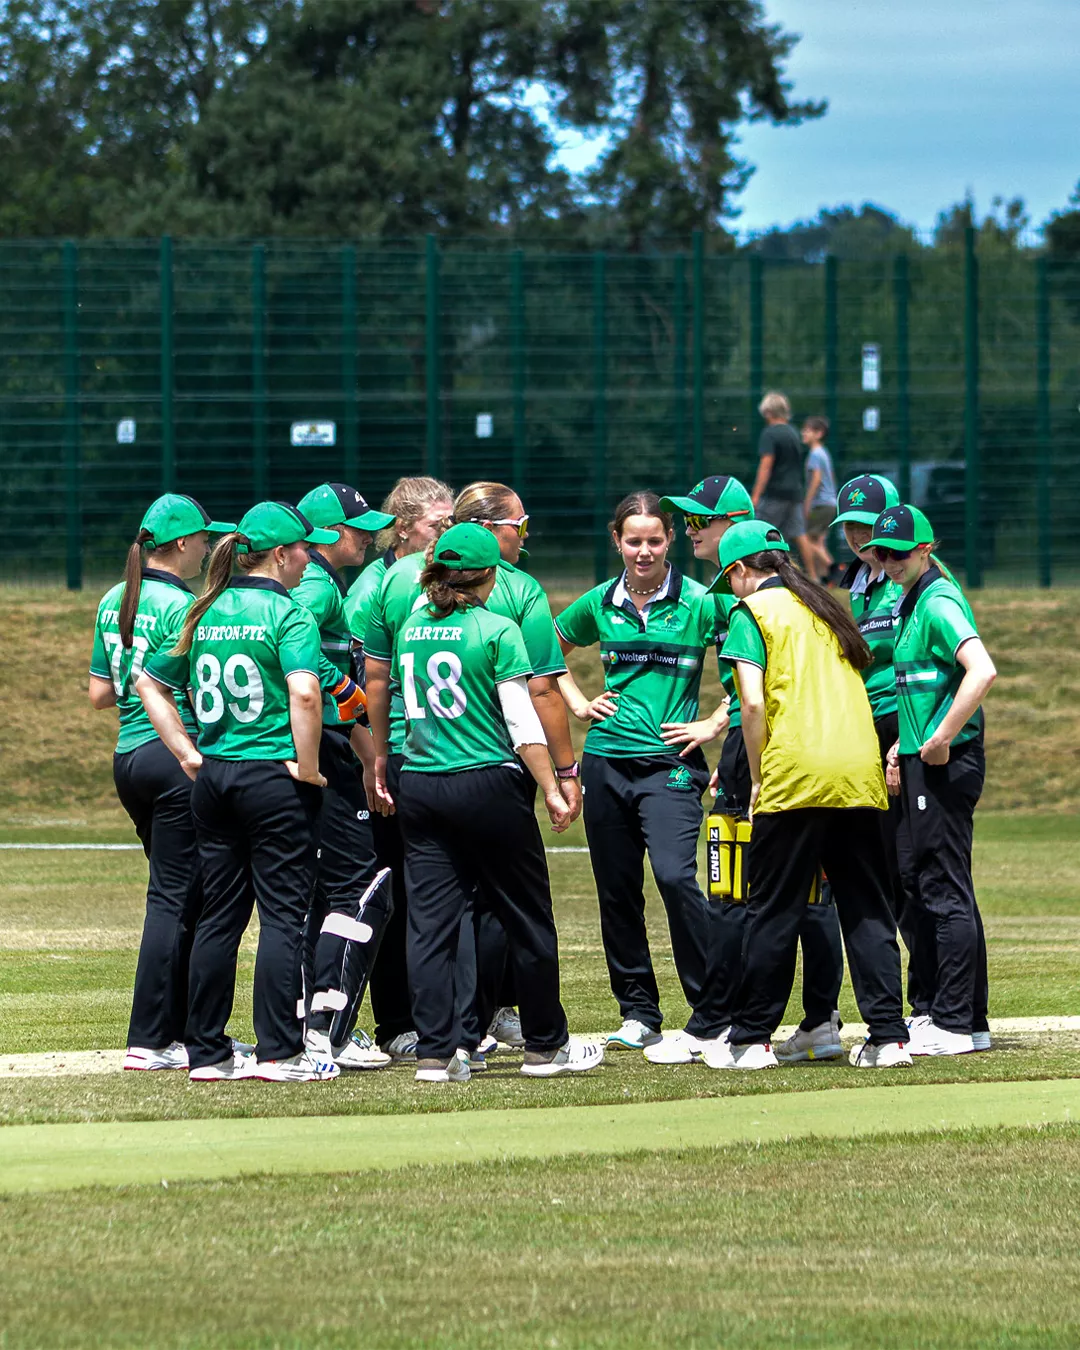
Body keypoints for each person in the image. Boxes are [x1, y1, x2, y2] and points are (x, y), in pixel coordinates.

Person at [375, 522, 602, 1082]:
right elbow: (522, 723)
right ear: (489, 576)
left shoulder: (410, 627)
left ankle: (436, 1053)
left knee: (430, 926)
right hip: (486, 784)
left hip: (421, 784)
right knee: (527, 915)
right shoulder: (498, 628)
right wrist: (553, 786)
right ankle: (545, 1046)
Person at [137, 501, 339, 1083]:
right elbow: (306, 693)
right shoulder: (288, 612)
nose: (309, 559)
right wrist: (309, 768)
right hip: (272, 777)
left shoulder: (204, 607)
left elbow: (148, 683)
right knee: (283, 918)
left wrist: (187, 753)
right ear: (279, 554)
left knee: (219, 919)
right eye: (303, 549)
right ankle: (280, 1052)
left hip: (216, 778)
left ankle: (206, 1052)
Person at [702, 520, 911, 1071]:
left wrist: (757, 778)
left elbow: (751, 704)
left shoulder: (752, 612)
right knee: (867, 909)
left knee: (773, 909)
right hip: (857, 773)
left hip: (795, 775)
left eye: (730, 579)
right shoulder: (827, 608)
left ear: (740, 571)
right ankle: (889, 1037)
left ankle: (751, 1040)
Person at [652, 476, 843, 1066]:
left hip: (764, 755)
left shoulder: (742, 599)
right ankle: (820, 1020)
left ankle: (720, 1024)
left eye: (698, 520)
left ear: (737, 527)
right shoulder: (809, 597)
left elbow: (754, 694)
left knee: (734, 891)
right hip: (807, 753)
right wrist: (722, 723)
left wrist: (740, 749)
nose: (689, 531)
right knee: (809, 892)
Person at [554, 491, 717, 1051]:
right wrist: (578, 703)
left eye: (653, 540)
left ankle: (712, 1010)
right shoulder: (599, 601)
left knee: (675, 877)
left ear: (670, 541)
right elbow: (544, 653)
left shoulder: (701, 602)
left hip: (671, 764)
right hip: (606, 762)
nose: (643, 551)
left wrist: (715, 721)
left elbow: (754, 660)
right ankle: (639, 1013)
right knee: (617, 892)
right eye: (633, 541)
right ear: (616, 541)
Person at [88, 493, 236, 1072]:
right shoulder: (184, 604)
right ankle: (152, 1038)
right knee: (176, 901)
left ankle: (173, 1034)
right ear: (180, 543)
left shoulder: (114, 598)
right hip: (175, 757)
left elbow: (101, 694)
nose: (207, 547)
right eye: (202, 538)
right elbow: (196, 692)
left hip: (129, 757)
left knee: (180, 897)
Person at [867, 504, 996, 1056]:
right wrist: (903, 746)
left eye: (899, 552)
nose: (889, 561)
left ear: (925, 548)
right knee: (923, 882)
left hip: (947, 761)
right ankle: (961, 1018)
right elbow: (919, 687)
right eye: (881, 553)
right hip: (921, 758)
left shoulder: (937, 600)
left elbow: (982, 670)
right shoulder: (909, 599)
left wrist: (940, 736)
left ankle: (955, 1023)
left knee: (943, 889)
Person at [343, 476, 454, 1060]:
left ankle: (465, 1014)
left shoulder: (451, 577)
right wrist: (373, 756)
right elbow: (358, 681)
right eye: (438, 524)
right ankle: (397, 1022)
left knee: (445, 888)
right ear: (405, 528)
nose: (447, 532)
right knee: (396, 888)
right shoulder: (374, 587)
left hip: (444, 752)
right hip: (396, 754)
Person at [291, 482, 397, 1072]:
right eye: (359, 528)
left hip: (327, 745)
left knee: (322, 893)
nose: (368, 538)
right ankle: (327, 1031)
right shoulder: (315, 583)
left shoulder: (325, 582)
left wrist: (367, 750)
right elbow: (290, 643)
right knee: (360, 890)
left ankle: (313, 1024)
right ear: (329, 533)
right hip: (320, 750)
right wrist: (341, 688)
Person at [750, 390, 815, 574]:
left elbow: (766, 465)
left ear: (768, 412)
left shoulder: (770, 433)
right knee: (800, 535)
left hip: (775, 493)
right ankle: (813, 576)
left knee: (761, 532)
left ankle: (758, 571)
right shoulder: (794, 433)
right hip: (795, 493)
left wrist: (756, 496)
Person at [801, 416, 836, 583]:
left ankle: (833, 567)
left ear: (819, 433)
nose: (803, 433)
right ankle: (825, 577)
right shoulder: (824, 452)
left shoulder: (815, 454)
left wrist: (807, 502)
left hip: (821, 504)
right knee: (819, 540)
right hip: (830, 502)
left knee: (807, 538)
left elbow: (816, 479)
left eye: (808, 430)